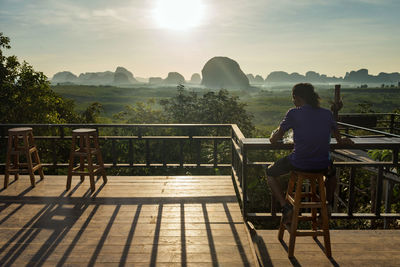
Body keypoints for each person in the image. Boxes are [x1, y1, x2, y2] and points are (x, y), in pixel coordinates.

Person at [266, 83, 353, 224]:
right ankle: (328, 205)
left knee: (270, 172)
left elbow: (274, 139)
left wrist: (273, 135)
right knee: (332, 173)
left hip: (299, 163)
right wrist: (345, 140)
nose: (293, 102)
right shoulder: (327, 113)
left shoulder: (293, 113)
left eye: (293, 99)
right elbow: (339, 140)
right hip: (323, 165)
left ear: (296, 97)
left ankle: (286, 207)